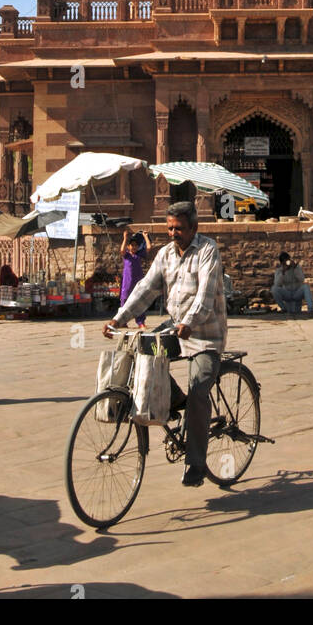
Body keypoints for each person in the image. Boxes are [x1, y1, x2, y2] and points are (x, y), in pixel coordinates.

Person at [103, 201, 226, 489]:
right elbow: (146, 288)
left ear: (194, 228)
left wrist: (191, 322)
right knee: (140, 353)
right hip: (176, 328)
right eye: (169, 227)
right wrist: (120, 319)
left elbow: (205, 296)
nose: (173, 233)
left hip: (205, 334)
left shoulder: (208, 251)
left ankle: (196, 462)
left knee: (199, 389)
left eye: (179, 228)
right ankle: (174, 400)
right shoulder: (165, 255)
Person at [119, 227, 151, 326]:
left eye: (135, 245)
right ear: (128, 247)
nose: (134, 247)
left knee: (139, 300)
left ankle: (140, 321)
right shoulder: (127, 256)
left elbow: (149, 247)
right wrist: (125, 238)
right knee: (124, 300)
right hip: (127, 281)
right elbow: (121, 250)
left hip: (138, 280)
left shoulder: (138, 255)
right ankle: (122, 321)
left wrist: (145, 236)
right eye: (132, 245)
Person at [272, 251, 313, 316]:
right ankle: (283, 308)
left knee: (306, 286)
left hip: (297, 293)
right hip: (287, 293)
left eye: (288, 260)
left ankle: (310, 309)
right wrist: (283, 273)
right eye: (285, 261)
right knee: (274, 289)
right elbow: (277, 284)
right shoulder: (279, 271)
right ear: (282, 263)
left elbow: (302, 279)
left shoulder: (296, 268)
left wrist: (295, 269)